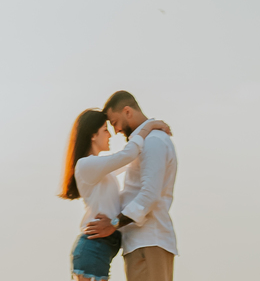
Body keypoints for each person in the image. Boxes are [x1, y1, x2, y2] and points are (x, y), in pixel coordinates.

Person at [60, 107, 171, 281]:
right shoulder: (86, 165)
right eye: (105, 130)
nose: (110, 135)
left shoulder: (102, 170)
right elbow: (128, 154)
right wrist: (148, 126)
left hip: (102, 247)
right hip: (94, 246)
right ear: (92, 135)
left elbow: (131, 159)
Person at [83, 91, 177, 281]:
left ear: (127, 112)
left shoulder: (153, 142)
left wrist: (114, 224)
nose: (116, 130)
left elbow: (149, 195)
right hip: (142, 242)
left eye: (115, 122)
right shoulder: (145, 143)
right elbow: (123, 159)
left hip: (148, 241)